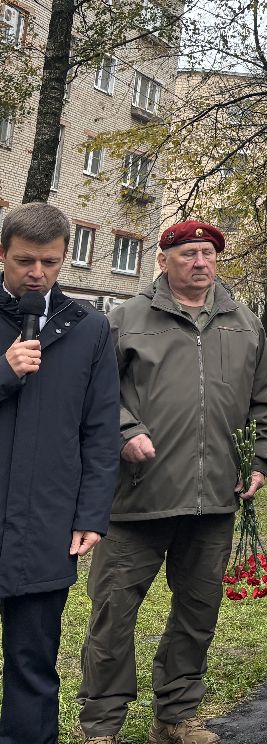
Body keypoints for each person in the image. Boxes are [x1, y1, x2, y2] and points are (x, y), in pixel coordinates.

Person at [79, 220, 267, 744]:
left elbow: (266, 402)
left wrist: (259, 463)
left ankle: (174, 718)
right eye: (188, 253)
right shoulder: (125, 319)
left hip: (213, 500)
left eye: (209, 253)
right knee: (113, 618)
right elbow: (96, 392)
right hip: (135, 499)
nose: (200, 262)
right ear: (164, 259)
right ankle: (102, 727)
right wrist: (125, 431)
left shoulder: (244, 323)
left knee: (197, 616)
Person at [0, 204, 119, 744]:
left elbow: (99, 429)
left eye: (49, 262)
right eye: (25, 260)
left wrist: (92, 512)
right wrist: (4, 373)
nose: (36, 273)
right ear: (2, 255)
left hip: (44, 525)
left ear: (64, 257)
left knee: (33, 662)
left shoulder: (89, 327)